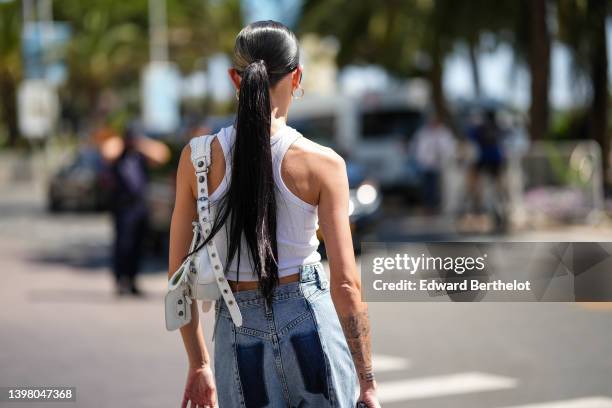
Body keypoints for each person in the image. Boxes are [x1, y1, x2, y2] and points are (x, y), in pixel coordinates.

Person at [169, 21, 380, 408]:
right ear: (297, 76)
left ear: (236, 79)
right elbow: (347, 283)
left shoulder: (196, 159)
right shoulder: (323, 163)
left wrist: (199, 364)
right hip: (309, 318)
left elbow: (177, 278)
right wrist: (366, 380)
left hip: (235, 329)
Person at [103, 123, 170, 296]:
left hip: (139, 206)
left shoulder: (140, 154)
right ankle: (120, 280)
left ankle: (132, 281)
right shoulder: (119, 153)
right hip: (122, 206)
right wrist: (123, 142)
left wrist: (141, 143)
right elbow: (107, 152)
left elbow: (163, 156)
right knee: (123, 245)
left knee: (138, 245)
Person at [412, 114, 456, 213]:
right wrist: (423, 160)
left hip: (440, 165)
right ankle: (428, 205)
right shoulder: (423, 133)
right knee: (427, 187)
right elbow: (418, 148)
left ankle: (438, 205)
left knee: (438, 187)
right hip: (426, 165)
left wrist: (443, 157)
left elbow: (449, 148)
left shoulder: (444, 133)